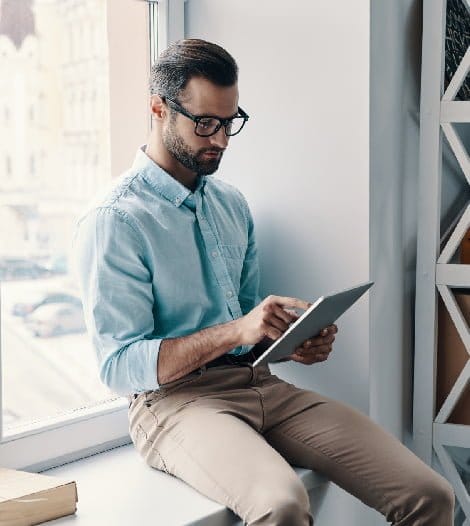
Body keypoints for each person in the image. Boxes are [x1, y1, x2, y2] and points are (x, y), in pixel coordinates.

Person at [74, 39, 454, 525]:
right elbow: (119, 366)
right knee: (283, 505)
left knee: (429, 493)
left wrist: (288, 342)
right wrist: (237, 331)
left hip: (259, 383)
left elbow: (246, 329)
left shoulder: (231, 204)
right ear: (158, 109)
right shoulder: (116, 220)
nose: (222, 140)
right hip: (174, 405)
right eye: (206, 124)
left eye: (231, 123)